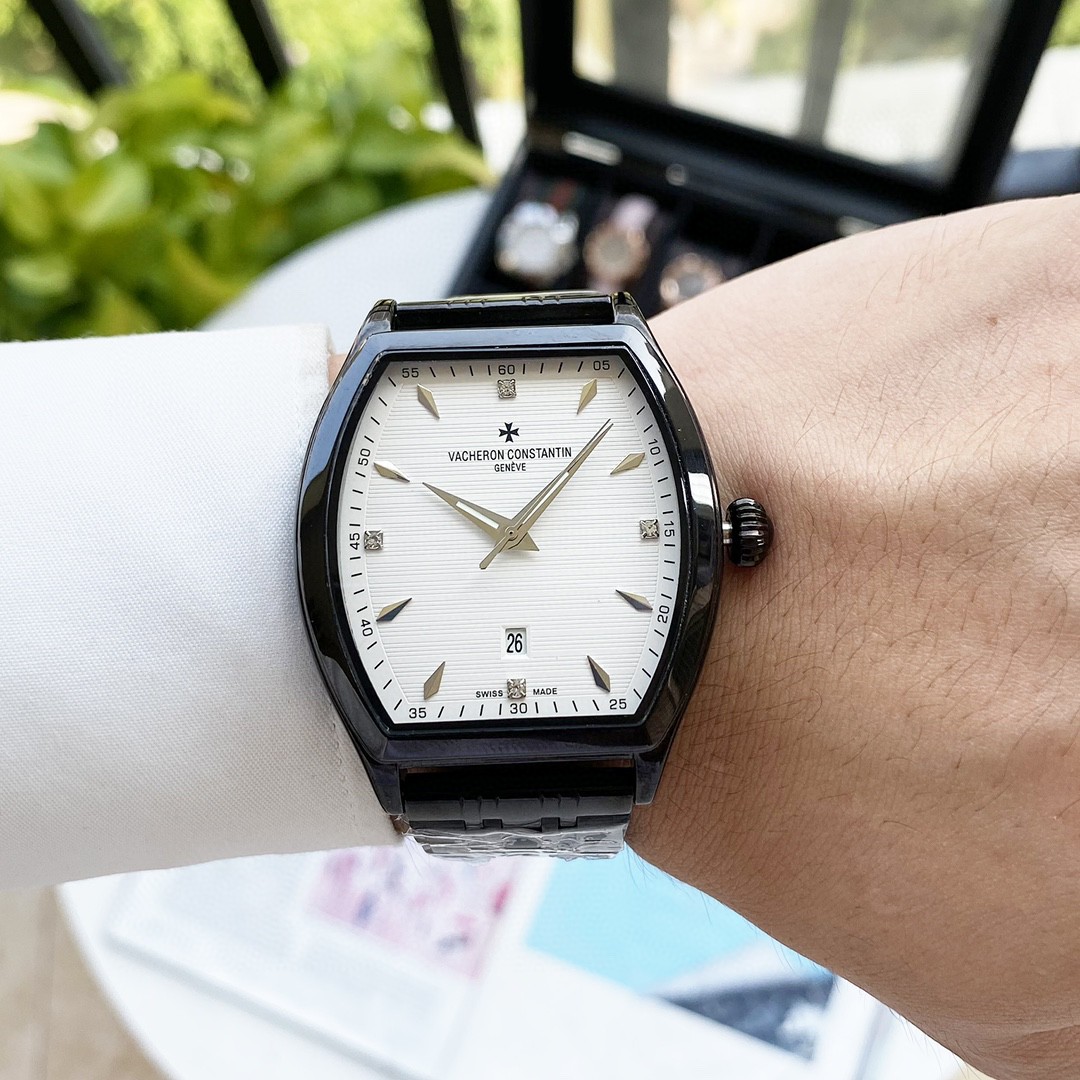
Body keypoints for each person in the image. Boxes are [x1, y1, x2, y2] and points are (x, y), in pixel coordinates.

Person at [3, 193, 1080, 1080]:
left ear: (727, 533)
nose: (515, 541)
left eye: (520, 530)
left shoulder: (655, 484)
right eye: (507, 533)